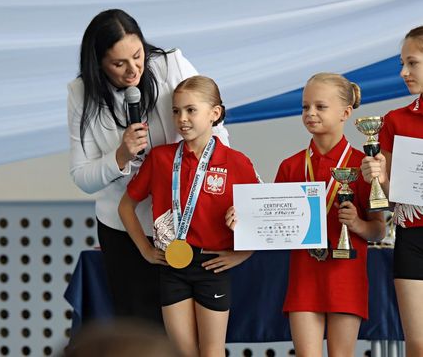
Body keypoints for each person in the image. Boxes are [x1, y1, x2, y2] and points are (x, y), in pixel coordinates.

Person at [67, 9, 228, 324]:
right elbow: (82, 177)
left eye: (138, 56)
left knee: (191, 331)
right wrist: (120, 156)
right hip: (125, 230)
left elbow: (216, 130)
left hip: (188, 222)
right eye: (118, 64)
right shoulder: (81, 93)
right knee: (140, 329)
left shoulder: (171, 65)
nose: (132, 71)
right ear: (98, 64)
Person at [119, 75, 256, 357]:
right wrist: (145, 249)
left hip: (212, 267)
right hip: (172, 265)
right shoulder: (160, 158)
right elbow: (125, 206)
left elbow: (259, 217)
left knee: (212, 351)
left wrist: (242, 254)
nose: (182, 118)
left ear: (214, 113)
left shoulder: (237, 162)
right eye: (176, 111)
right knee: (181, 352)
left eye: (191, 110)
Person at [269, 73, 384, 356]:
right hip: (304, 276)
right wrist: (247, 217)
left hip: (346, 277)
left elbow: (378, 230)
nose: (310, 113)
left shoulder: (362, 165)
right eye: (305, 106)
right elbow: (273, 225)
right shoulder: (290, 166)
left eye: (320, 106)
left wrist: (356, 223)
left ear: (346, 112)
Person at [360, 26, 423, 356]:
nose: (403, 72)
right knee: (418, 343)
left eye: (412, 63)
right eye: (403, 64)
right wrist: (379, 177)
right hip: (413, 238)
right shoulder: (395, 121)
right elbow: (388, 197)